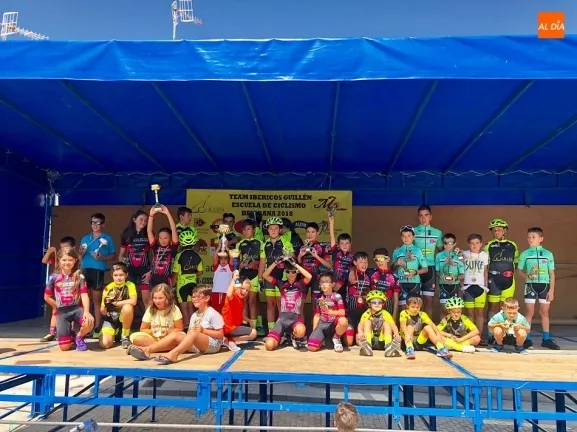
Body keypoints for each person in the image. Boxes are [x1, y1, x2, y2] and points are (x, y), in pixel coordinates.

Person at [155, 285, 224, 365]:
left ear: (207, 298)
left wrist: (204, 331)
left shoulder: (212, 313)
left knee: (193, 332)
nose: (195, 299)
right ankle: (148, 349)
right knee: (176, 334)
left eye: (198, 297)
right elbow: (189, 334)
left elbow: (220, 334)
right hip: (196, 345)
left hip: (212, 345)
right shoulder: (194, 314)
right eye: (193, 297)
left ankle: (174, 354)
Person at [44, 248, 94, 351]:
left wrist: (86, 311)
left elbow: (84, 294)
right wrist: (57, 306)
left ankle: (79, 337)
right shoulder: (54, 277)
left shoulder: (79, 276)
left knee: (89, 322)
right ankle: (71, 336)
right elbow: (47, 297)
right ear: (59, 260)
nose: (67, 262)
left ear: (75, 260)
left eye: (70, 260)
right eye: (64, 260)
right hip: (62, 312)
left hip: (76, 308)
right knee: (64, 347)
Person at [517, 227, 559, 350]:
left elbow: (552, 274)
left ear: (541, 239)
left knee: (544, 312)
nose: (530, 239)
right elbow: (519, 271)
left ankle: (546, 339)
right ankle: (527, 338)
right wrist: (527, 276)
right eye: (528, 237)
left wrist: (552, 290)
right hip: (530, 285)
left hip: (545, 285)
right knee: (529, 312)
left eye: (533, 237)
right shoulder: (525, 254)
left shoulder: (548, 254)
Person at [79, 213, 116, 338]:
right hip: (84, 270)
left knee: (97, 300)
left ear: (103, 224)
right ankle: (86, 327)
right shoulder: (85, 238)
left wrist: (102, 257)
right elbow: (80, 257)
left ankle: (97, 327)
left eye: (98, 222)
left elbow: (113, 256)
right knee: (85, 300)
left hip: (98, 270)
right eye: (92, 222)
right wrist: (81, 253)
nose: (95, 225)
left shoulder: (108, 239)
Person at [126, 283, 186, 361]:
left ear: (168, 297)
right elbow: (143, 329)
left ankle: (146, 349)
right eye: (155, 298)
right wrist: (152, 331)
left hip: (169, 338)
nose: (157, 301)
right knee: (135, 338)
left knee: (180, 336)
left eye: (160, 298)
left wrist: (168, 331)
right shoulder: (150, 309)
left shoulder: (174, 309)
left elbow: (180, 328)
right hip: (154, 338)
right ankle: (164, 348)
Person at [263, 258, 312, 351]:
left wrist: (295, 264)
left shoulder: (300, 284)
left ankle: (293, 336)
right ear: (285, 272)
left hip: (295, 319)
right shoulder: (281, 284)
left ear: (296, 272)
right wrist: (275, 262)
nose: (290, 274)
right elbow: (265, 275)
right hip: (282, 320)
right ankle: (282, 337)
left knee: (301, 331)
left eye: (293, 272)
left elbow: (309, 276)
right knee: (269, 346)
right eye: (288, 272)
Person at [485, 219, 519, 343]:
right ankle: (491, 334)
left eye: (499, 230)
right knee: (493, 307)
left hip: (508, 281)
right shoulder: (488, 245)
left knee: (507, 308)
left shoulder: (513, 245)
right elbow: (485, 264)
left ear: (504, 231)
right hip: (493, 280)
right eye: (494, 231)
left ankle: (506, 333)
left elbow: (516, 263)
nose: (497, 232)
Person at [40, 236, 76, 342]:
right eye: (61, 248)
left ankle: (71, 332)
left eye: (66, 247)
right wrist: (49, 252)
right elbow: (44, 261)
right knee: (56, 308)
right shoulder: (58, 257)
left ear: (73, 248)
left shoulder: (74, 259)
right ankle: (52, 332)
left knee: (72, 308)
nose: (63, 250)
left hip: (70, 285)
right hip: (58, 285)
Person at [261, 217, 294, 333]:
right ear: (268, 230)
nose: (273, 231)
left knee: (281, 304)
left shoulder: (286, 242)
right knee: (270, 304)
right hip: (269, 277)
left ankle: (282, 331)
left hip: (282, 277)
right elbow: (262, 263)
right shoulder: (264, 244)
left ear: (280, 230)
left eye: (276, 228)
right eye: (271, 229)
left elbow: (292, 257)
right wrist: (260, 279)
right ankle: (271, 331)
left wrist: (288, 256)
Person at [235, 219, 266, 335]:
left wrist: (258, 270)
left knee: (253, 301)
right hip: (243, 275)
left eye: (249, 229)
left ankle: (254, 327)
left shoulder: (260, 243)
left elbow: (263, 261)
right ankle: (245, 325)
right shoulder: (239, 244)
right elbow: (236, 261)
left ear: (253, 230)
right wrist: (240, 264)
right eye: (244, 229)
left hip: (255, 275)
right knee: (244, 301)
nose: (246, 231)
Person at [413, 205, 443, 318]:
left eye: (426, 215)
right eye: (421, 216)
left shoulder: (437, 233)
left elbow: (442, 251)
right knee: (414, 300)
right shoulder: (413, 231)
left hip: (430, 268)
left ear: (431, 217)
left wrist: (454, 254)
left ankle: (427, 325)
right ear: (418, 217)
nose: (423, 218)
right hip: (415, 268)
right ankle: (416, 325)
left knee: (428, 300)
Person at [99, 263, 138, 349]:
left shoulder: (130, 285)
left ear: (126, 275)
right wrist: (106, 305)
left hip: (125, 318)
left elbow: (133, 301)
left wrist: (114, 303)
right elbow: (102, 311)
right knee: (104, 344)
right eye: (116, 275)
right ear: (112, 276)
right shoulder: (107, 288)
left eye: (121, 275)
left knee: (127, 307)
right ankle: (116, 333)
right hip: (111, 318)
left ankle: (125, 335)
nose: (118, 278)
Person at [297, 222, 332, 317]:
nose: (310, 234)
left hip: (316, 278)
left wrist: (316, 256)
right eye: (308, 232)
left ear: (317, 233)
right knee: (299, 307)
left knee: (315, 307)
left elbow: (328, 265)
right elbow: (299, 262)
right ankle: (301, 326)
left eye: (312, 232)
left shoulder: (323, 247)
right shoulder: (303, 247)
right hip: (304, 277)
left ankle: (315, 326)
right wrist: (300, 255)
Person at [119, 210, 152, 308]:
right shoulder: (126, 234)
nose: (143, 222)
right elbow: (121, 255)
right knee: (129, 301)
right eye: (141, 219)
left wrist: (150, 271)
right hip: (130, 271)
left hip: (145, 271)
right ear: (134, 220)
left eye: (146, 220)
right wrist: (123, 270)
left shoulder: (149, 233)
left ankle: (147, 318)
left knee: (147, 300)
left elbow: (156, 254)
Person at [308, 272, 348, 353]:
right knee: (312, 347)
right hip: (322, 324)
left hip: (334, 324)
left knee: (343, 321)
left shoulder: (337, 296)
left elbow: (342, 312)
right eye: (322, 282)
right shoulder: (318, 297)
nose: (324, 284)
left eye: (327, 282)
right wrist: (314, 331)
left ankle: (336, 338)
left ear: (333, 284)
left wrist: (328, 311)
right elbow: (317, 315)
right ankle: (322, 339)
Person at [172, 230, 203, 328]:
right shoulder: (197, 255)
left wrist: (172, 284)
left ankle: (187, 329)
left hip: (182, 284)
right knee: (191, 307)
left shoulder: (179, 256)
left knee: (184, 308)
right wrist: (193, 273)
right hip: (193, 284)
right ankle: (193, 328)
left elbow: (176, 273)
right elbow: (201, 272)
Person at [357, 290, 402, 357]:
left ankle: (389, 348)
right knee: (367, 322)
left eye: (379, 302)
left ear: (383, 304)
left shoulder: (385, 313)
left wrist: (396, 334)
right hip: (370, 340)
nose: (377, 304)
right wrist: (360, 332)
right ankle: (367, 347)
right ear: (369, 304)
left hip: (382, 341)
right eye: (374, 302)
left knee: (387, 324)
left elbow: (393, 325)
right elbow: (360, 325)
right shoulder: (367, 313)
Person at [461, 234, 489, 342]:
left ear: (481, 244)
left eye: (477, 243)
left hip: (480, 287)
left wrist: (486, 286)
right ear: (468, 244)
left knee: (480, 313)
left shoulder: (484, 255)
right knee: (470, 314)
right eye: (472, 243)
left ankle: (479, 337)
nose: (474, 245)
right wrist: (461, 285)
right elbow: (460, 269)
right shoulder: (464, 254)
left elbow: (485, 272)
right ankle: (470, 337)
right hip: (468, 287)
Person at [392, 226, 428, 307]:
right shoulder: (396, 251)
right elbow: (392, 270)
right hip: (401, 282)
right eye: (404, 236)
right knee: (403, 308)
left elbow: (425, 269)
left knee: (415, 308)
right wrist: (396, 263)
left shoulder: (418, 251)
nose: (406, 238)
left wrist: (415, 272)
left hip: (415, 283)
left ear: (413, 237)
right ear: (401, 237)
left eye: (409, 236)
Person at [222, 271, 257, 351]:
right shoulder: (233, 296)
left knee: (251, 331)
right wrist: (233, 280)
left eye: (247, 290)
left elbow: (239, 314)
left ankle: (227, 339)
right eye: (242, 288)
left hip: (233, 327)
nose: (244, 292)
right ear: (237, 287)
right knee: (253, 333)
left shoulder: (241, 299)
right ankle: (229, 341)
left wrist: (249, 320)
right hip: (229, 327)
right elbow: (228, 294)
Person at [147, 205, 179, 287]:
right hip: (153, 281)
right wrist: (151, 215)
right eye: (160, 238)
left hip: (166, 282)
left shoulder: (172, 248)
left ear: (170, 238)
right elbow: (149, 231)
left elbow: (174, 230)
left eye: (165, 238)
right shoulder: (155, 247)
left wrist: (167, 213)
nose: (162, 240)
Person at [435, 233, 465, 318]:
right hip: (443, 285)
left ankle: (453, 326)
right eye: (445, 243)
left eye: (450, 243)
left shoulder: (458, 256)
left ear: (454, 244)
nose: (448, 245)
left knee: (454, 310)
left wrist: (455, 278)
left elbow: (463, 275)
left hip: (455, 286)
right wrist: (442, 277)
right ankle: (443, 326)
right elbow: (437, 271)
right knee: (444, 309)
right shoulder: (439, 256)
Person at [345, 252, 371, 347]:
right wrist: (352, 270)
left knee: (360, 342)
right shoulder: (350, 273)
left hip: (364, 310)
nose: (364, 264)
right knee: (349, 342)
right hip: (351, 309)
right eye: (361, 262)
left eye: (366, 262)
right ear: (355, 262)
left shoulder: (370, 274)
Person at [328, 210, 353, 296]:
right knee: (333, 298)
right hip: (335, 281)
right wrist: (331, 222)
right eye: (342, 243)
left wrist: (352, 271)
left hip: (347, 283)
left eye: (347, 243)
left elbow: (354, 267)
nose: (344, 245)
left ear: (350, 244)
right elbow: (332, 236)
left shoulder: (352, 256)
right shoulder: (336, 252)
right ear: (338, 244)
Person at [370, 248, 400, 317]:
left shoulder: (394, 276)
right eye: (376, 260)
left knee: (389, 300)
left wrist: (394, 317)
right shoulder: (371, 273)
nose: (379, 262)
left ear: (388, 259)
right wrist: (352, 271)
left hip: (388, 308)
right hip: (374, 308)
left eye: (382, 259)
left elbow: (396, 299)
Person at [211, 242, 233, 314]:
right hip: (216, 292)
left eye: (225, 259)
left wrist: (226, 247)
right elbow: (214, 257)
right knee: (215, 311)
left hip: (226, 292)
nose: (223, 261)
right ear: (219, 260)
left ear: (228, 259)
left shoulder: (229, 267)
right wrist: (219, 247)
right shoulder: (217, 267)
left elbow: (232, 256)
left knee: (226, 310)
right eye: (221, 259)